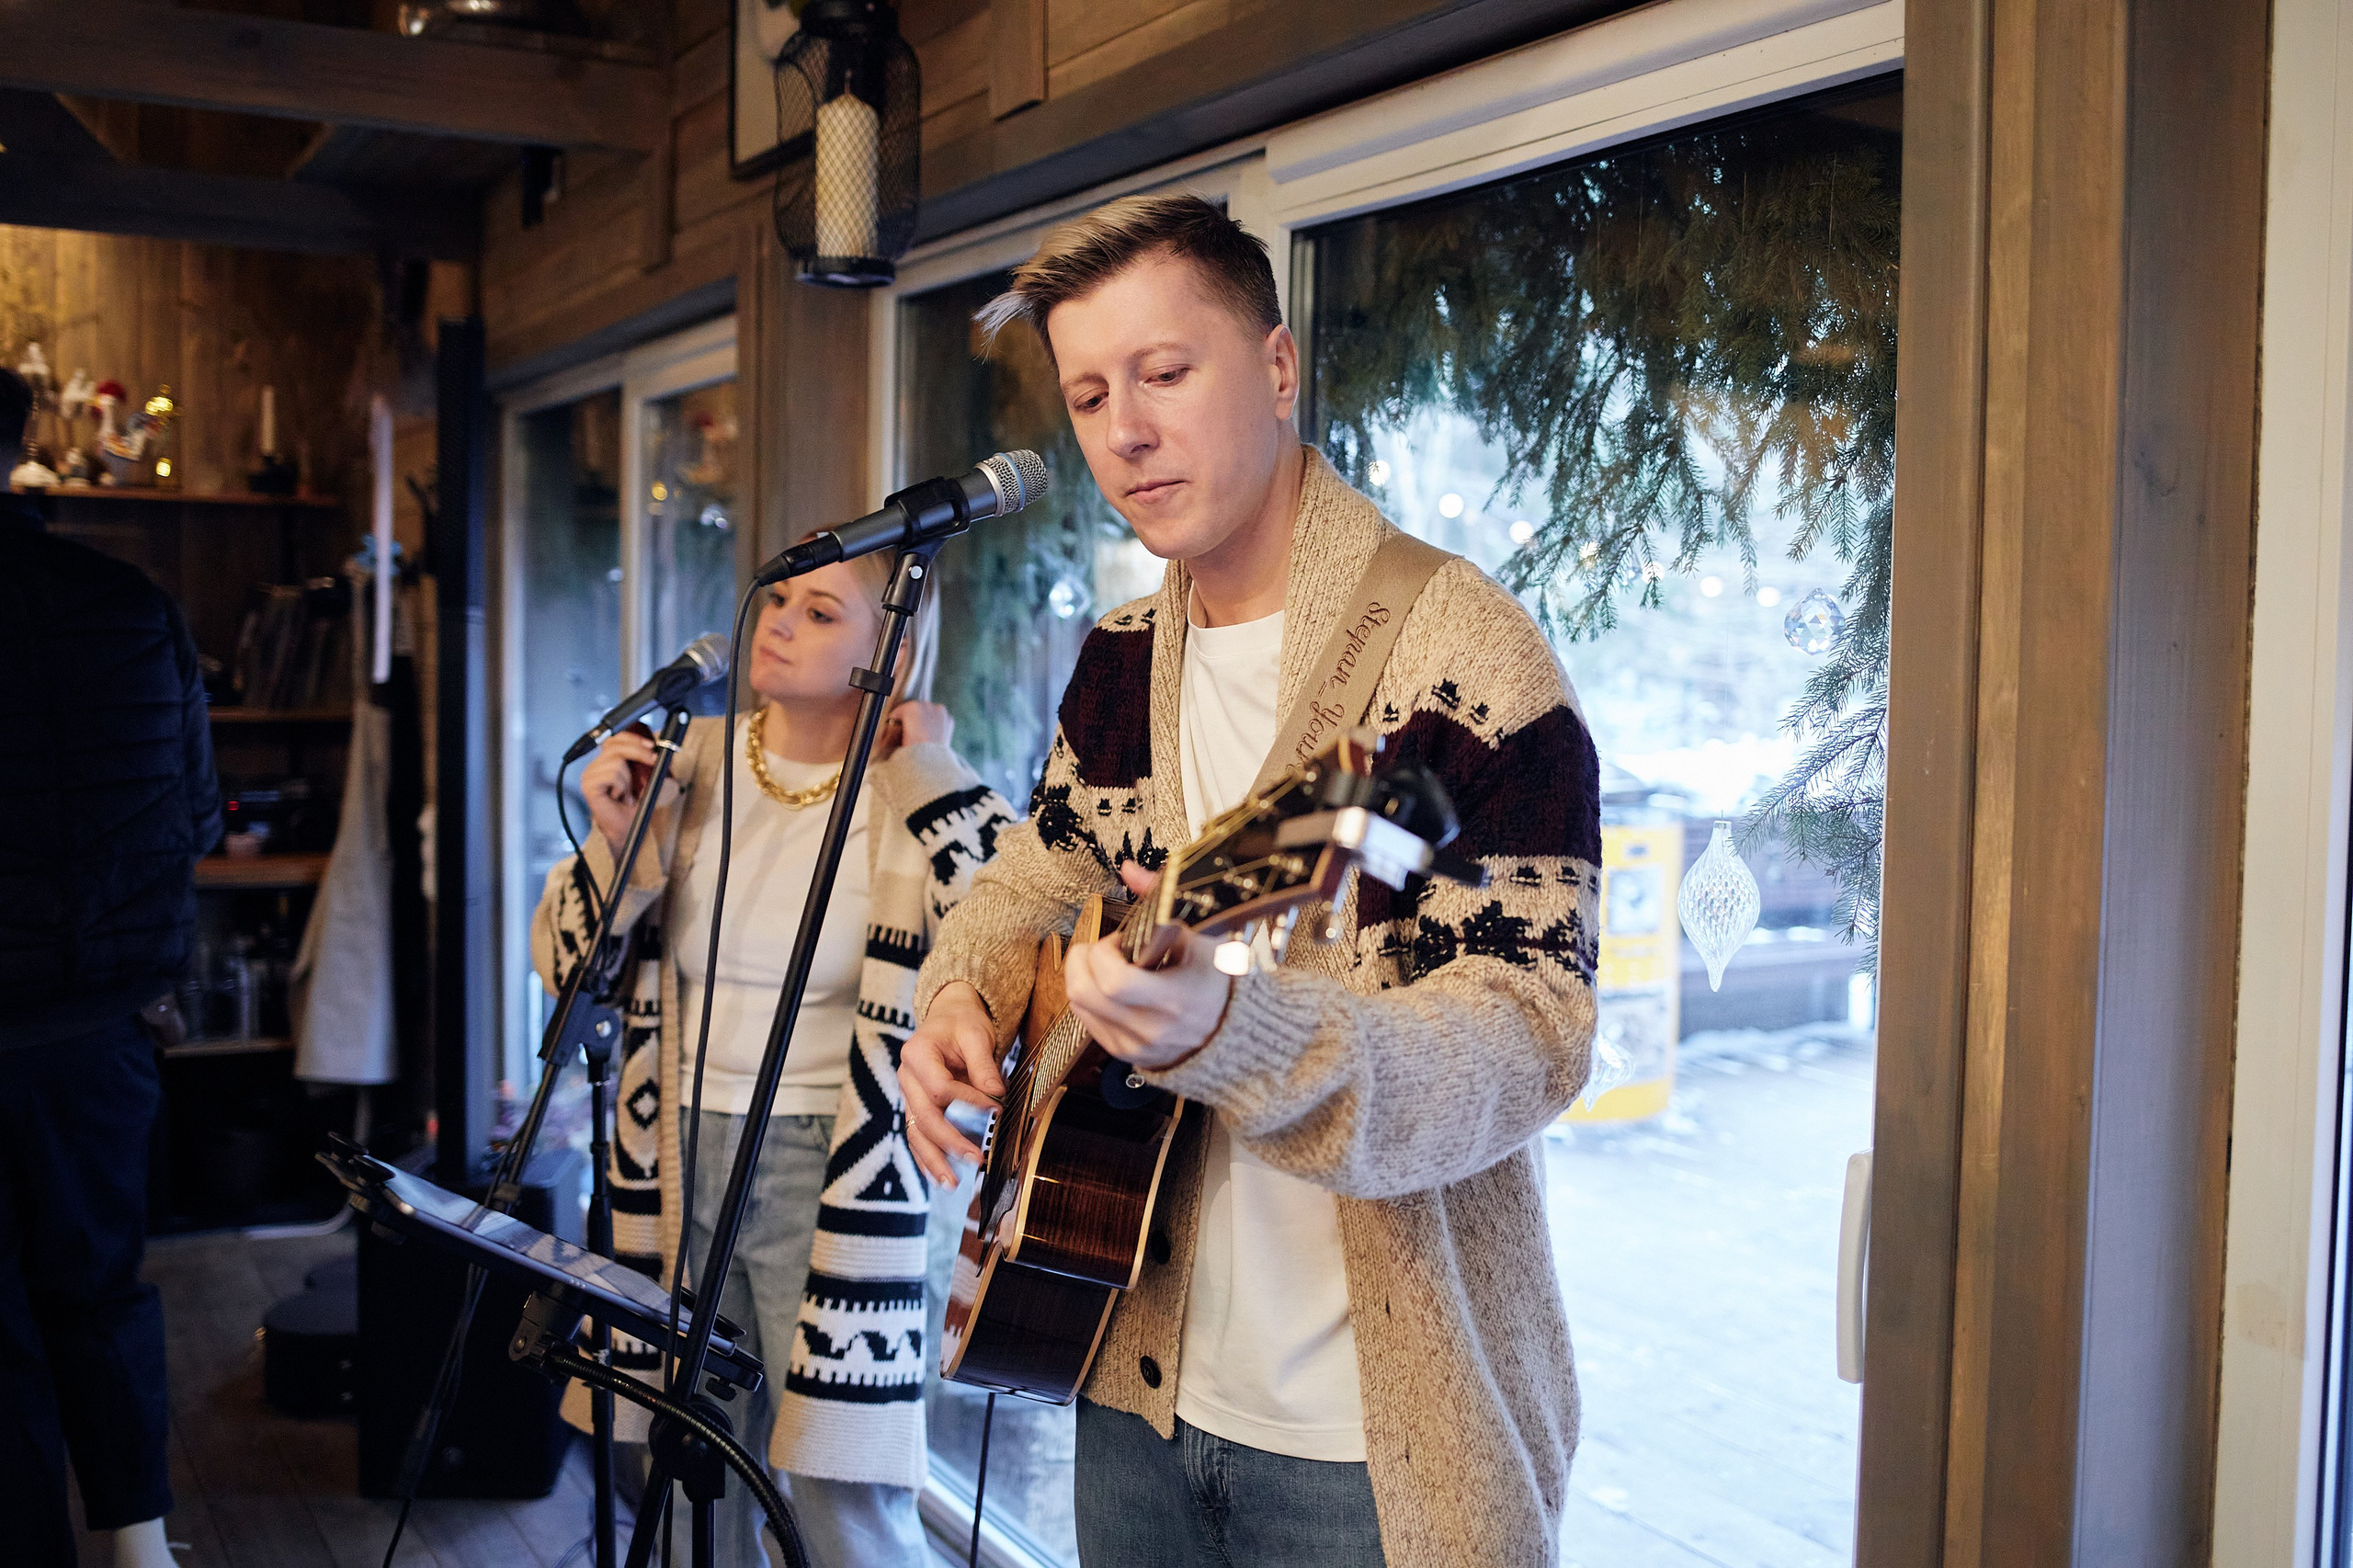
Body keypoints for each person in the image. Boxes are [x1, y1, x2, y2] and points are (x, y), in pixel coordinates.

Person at [898, 196, 1603, 1567]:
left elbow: (1527, 1034)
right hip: (1127, 1376)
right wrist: (959, 996)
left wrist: (1239, 1033)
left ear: (1277, 367)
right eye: (1091, 393)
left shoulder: (1460, 667)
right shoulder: (1118, 658)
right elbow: (1036, 879)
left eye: (1167, 372)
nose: (1124, 431)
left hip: (1375, 1448)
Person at [533, 552, 1015, 1567]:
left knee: (844, 1499)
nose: (780, 620)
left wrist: (928, 762)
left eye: (820, 608)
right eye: (781, 598)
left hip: (836, 1178)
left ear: (888, 647)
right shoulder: (687, 759)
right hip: (672, 1159)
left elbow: (1008, 921)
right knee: (680, 1471)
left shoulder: (906, 790)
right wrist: (621, 842)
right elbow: (562, 959)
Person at [0, 366, 222, 1568]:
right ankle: (141, 1546)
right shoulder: (130, 603)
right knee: (99, 1289)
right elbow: (192, 814)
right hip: (103, 1029)